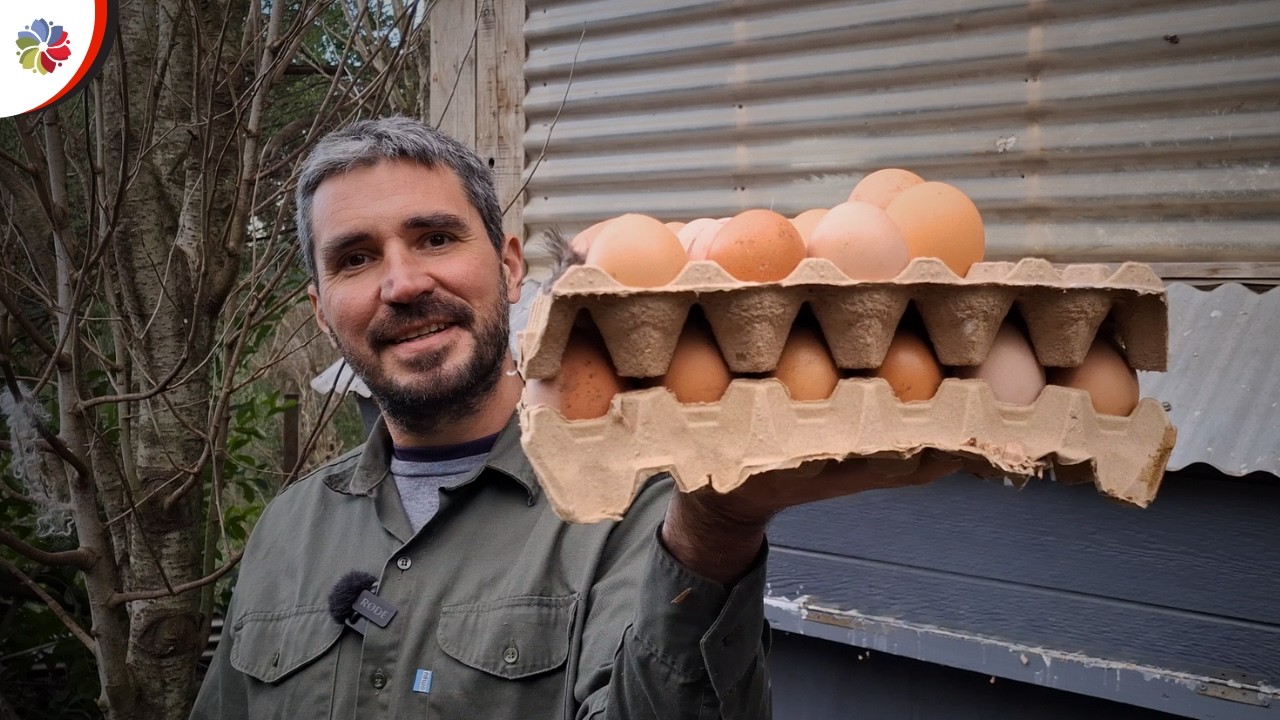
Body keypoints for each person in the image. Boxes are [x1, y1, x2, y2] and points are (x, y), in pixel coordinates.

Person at [190, 116, 954, 719]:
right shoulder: (288, 532)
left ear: (510, 264)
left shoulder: (639, 509)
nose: (402, 282)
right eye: (355, 258)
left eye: (435, 238)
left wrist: (713, 535)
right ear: (322, 314)